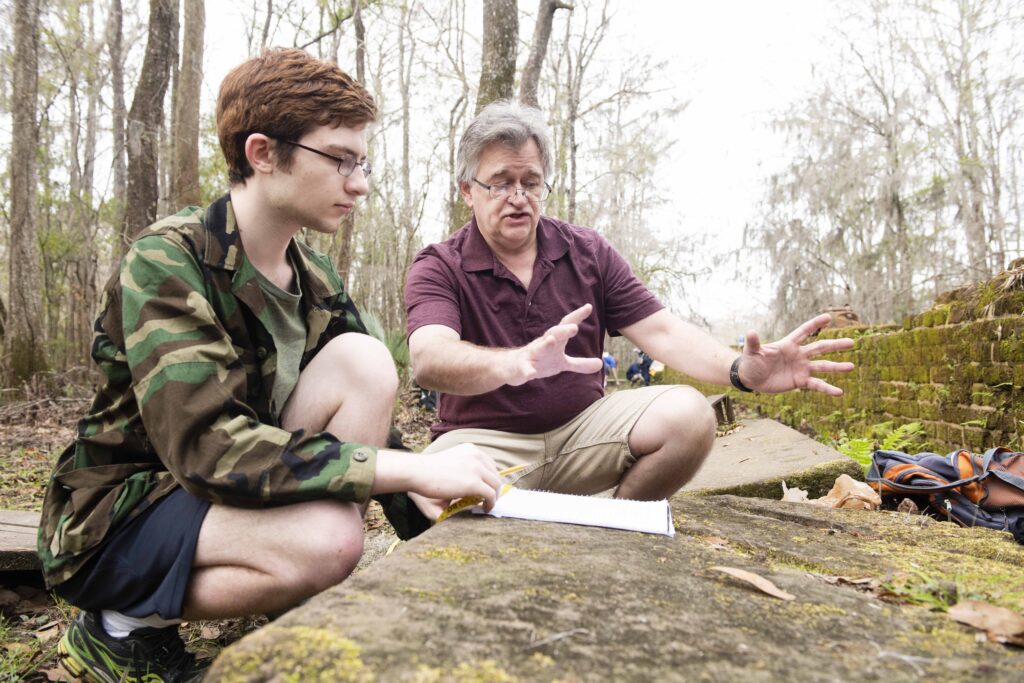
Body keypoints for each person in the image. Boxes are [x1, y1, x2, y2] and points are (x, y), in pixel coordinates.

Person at [38, 48, 501, 683]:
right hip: (123, 513)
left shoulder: (314, 277)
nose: (359, 183)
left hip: (225, 495)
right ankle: (121, 630)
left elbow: (375, 427)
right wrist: (411, 469)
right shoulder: (167, 262)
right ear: (262, 153)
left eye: (361, 163)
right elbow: (206, 447)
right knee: (332, 543)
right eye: (340, 159)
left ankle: (290, 595)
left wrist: (441, 520)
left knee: (365, 362)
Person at [403, 100, 854, 519]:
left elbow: (662, 332)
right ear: (468, 189)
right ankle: (512, 521)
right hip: (485, 445)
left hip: (584, 435)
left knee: (690, 415)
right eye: (501, 182)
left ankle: (615, 524)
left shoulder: (586, 251)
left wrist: (740, 370)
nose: (519, 196)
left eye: (531, 182)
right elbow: (430, 358)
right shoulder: (440, 264)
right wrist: (517, 362)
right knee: (429, 486)